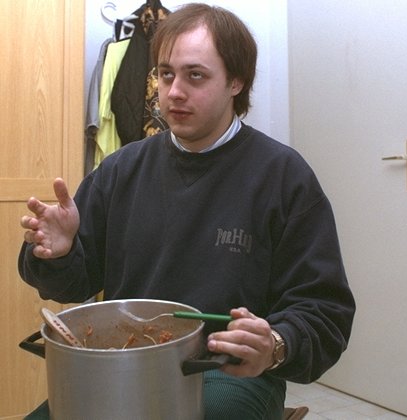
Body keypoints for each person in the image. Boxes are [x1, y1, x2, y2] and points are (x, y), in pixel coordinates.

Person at [19, 3, 355, 419]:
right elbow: (73, 284)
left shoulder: (283, 176)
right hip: (127, 363)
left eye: (195, 75)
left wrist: (275, 344)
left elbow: (324, 311)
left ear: (236, 81)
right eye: (165, 74)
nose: (174, 91)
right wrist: (60, 252)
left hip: (228, 371)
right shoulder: (122, 169)